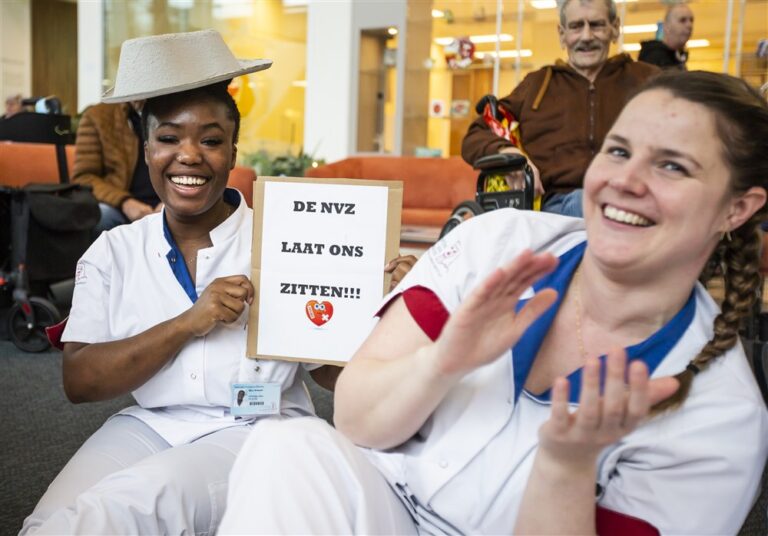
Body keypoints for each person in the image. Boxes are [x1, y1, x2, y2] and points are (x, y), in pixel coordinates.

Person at [219, 71, 768, 535]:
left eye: (672, 166)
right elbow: (357, 420)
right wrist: (442, 361)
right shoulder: (498, 242)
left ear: (737, 208)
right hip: (381, 507)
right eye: (618, 151)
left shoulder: (720, 423)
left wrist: (567, 466)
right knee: (287, 445)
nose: (626, 180)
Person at [20, 29, 324, 534]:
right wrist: (189, 322)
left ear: (232, 152)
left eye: (210, 140)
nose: (189, 156)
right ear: (146, 150)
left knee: (113, 515)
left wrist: (370, 306)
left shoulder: (282, 241)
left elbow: (335, 376)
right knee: (47, 524)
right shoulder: (115, 250)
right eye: (168, 139)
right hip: (153, 424)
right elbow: (80, 381)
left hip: (262, 431)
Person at [461, 0, 658, 218]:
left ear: (615, 28)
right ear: (562, 34)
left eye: (596, 25)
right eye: (576, 26)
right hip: (555, 206)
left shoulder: (648, 81)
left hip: (630, 195)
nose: (586, 36)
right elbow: (478, 132)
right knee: (583, 202)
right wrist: (510, 154)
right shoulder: (536, 85)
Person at [72, 100, 162, 236]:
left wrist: (168, 203)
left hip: (167, 202)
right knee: (102, 216)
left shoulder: (175, 112)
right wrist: (125, 202)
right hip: (120, 207)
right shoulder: (98, 116)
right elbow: (83, 177)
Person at [639, 3, 694, 70]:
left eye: (691, 20)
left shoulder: (677, 58)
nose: (689, 25)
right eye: (682, 20)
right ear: (666, 26)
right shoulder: (653, 59)